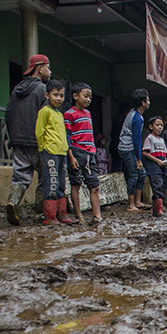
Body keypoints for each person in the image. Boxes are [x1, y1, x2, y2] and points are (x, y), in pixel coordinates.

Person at [4, 53, 51, 226]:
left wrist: (13, 136)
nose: (49, 71)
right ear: (39, 68)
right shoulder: (43, 90)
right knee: (44, 177)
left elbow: (8, 114)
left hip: (18, 141)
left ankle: (13, 202)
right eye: (48, 67)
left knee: (20, 177)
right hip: (37, 141)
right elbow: (46, 117)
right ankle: (39, 214)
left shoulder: (17, 89)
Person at [35, 79, 75, 226]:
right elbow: (40, 132)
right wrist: (42, 150)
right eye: (55, 95)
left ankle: (62, 214)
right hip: (49, 152)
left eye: (61, 95)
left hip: (62, 152)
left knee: (61, 184)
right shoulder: (44, 111)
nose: (58, 98)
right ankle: (50, 216)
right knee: (51, 183)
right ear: (47, 95)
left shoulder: (59, 114)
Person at [64, 82, 101, 226]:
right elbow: (67, 136)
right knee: (76, 184)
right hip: (77, 152)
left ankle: (97, 216)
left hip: (90, 153)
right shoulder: (69, 114)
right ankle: (79, 216)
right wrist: (71, 155)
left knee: (94, 185)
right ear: (75, 96)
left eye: (90, 97)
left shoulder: (88, 113)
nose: (88, 100)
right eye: (85, 96)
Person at [117, 89, 149, 212]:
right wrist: (138, 159)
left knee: (142, 174)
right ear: (143, 102)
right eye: (148, 99)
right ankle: (131, 205)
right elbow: (136, 140)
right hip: (128, 148)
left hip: (128, 148)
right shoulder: (137, 118)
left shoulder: (134, 113)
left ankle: (138, 201)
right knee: (134, 175)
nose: (149, 102)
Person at [142, 116, 167, 216]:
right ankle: (158, 210)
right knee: (157, 185)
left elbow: (165, 154)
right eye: (157, 125)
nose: (160, 127)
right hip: (153, 166)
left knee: (163, 185)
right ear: (151, 126)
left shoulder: (162, 140)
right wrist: (157, 161)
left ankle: (156, 210)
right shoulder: (149, 138)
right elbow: (145, 152)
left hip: (162, 165)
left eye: (161, 125)